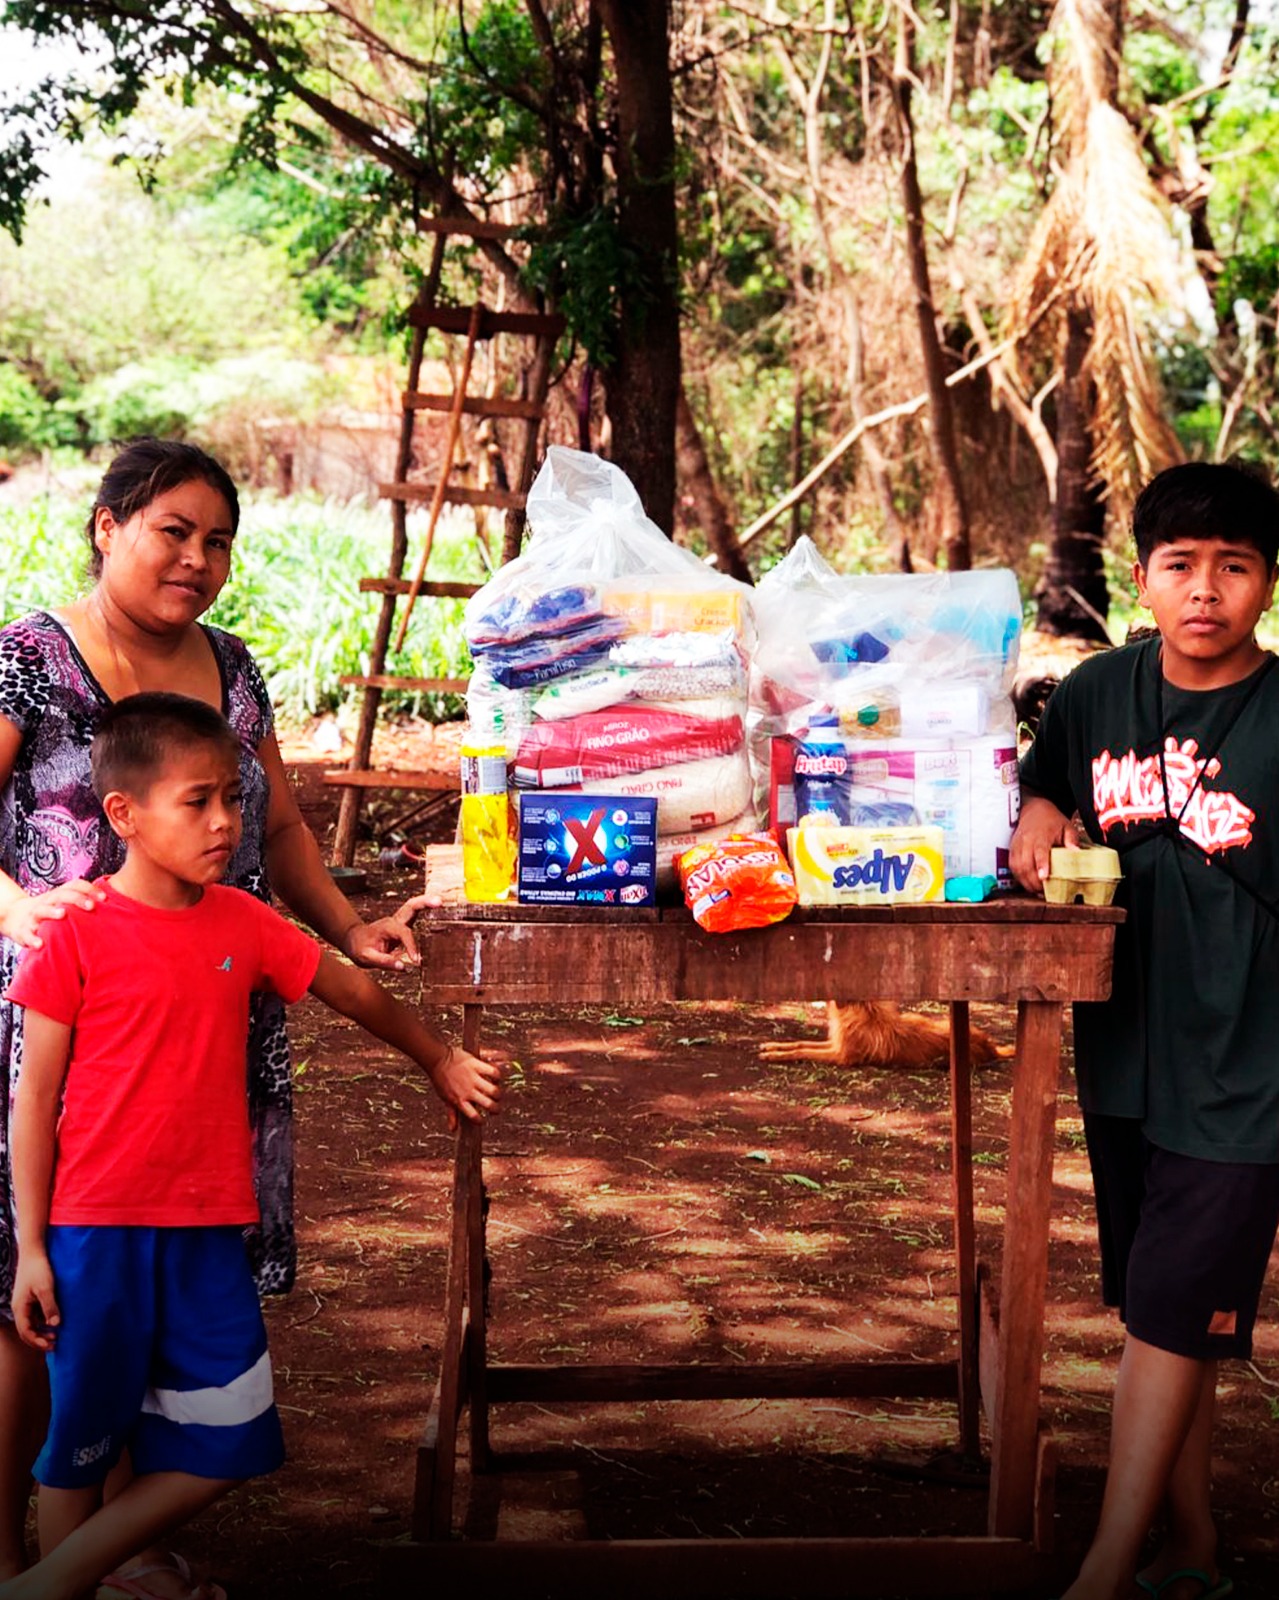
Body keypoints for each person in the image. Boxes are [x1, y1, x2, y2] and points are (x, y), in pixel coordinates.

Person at [0, 439, 432, 1593]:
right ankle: (19, 1559)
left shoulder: (233, 668)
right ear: (107, 526)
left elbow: (281, 829)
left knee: (163, 1278)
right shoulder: (31, 658)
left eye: (220, 540)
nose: (199, 558)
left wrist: (345, 926)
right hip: (53, 1015)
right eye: (173, 530)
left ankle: (116, 1555)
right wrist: (20, 909)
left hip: (204, 1023)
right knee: (36, 1299)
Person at [0, 692, 499, 1600]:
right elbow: (31, 1104)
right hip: (92, 1234)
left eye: (233, 797)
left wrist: (437, 1058)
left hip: (208, 1231)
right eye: (198, 801)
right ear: (124, 813)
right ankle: (90, 1585)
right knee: (79, 1447)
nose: (226, 822)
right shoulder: (70, 933)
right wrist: (32, 1248)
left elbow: (353, 992)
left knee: (236, 1436)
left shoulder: (244, 922)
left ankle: (49, 1584)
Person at [1012, 460, 1279, 1600]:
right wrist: (1034, 821)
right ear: (1142, 577)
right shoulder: (1093, 693)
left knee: (1171, 1308)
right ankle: (1196, 1546)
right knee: (1172, 1311)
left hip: (1249, 1064)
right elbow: (1040, 786)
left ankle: (1105, 1568)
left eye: (1234, 565)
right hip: (1123, 1053)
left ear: (1267, 582)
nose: (1205, 589)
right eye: (1181, 566)